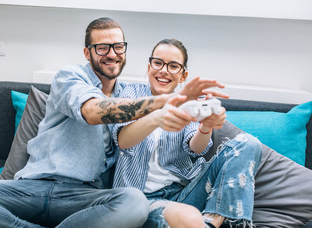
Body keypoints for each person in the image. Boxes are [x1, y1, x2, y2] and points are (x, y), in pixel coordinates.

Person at [0, 18, 228, 228]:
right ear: (87, 52)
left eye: (118, 46)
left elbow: (152, 137)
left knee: (133, 203)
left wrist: (193, 115)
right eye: (102, 47)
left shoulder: (129, 95)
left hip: (83, 197)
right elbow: (94, 111)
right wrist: (167, 101)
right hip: (31, 186)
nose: (112, 53)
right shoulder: (70, 77)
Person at [112, 38, 263, 228]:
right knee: (172, 220)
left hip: (185, 194)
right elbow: (123, 140)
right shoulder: (130, 95)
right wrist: (159, 115)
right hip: (140, 201)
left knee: (249, 144)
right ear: (149, 66)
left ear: (183, 75)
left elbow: (196, 148)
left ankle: (211, 221)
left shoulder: (189, 102)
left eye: (173, 66)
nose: (164, 70)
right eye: (158, 62)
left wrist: (206, 127)